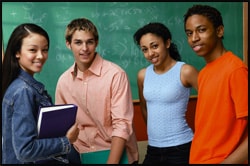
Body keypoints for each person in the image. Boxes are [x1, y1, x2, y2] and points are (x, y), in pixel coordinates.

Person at [55, 17, 139, 164]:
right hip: (81, 154)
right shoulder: (63, 81)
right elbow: (61, 126)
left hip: (115, 151)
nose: (85, 48)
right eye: (78, 42)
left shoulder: (115, 74)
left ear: (96, 43)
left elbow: (122, 124)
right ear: (68, 44)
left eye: (90, 42)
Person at [1, 23, 79, 164]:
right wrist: (67, 141)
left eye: (45, 50)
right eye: (32, 50)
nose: (40, 56)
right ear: (17, 52)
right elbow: (26, 150)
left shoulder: (21, 86)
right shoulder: (23, 91)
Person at [184, 4, 248, 164]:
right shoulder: (204, 72)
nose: (194, 38)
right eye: (189, 33)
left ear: (219, 31)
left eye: (201, 30)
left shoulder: (235, 70)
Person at [133, 22, 198, 164]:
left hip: (181, 147)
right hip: (153, 148)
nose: (150, 53)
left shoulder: (185, 71)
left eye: (154, 46)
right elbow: (144, 108)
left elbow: (212, 101)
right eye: (144, 49)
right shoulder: (143, 75)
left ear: (167, 43)